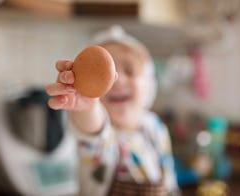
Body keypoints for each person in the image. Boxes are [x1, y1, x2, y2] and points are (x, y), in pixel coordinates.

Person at [46, 26, 179, 196]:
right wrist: (88, 105)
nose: (118, 80)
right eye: (105, 77)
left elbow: (170, 183)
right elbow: (92, 131)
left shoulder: (155, 127)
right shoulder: (105, 141)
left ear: (149, 82)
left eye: (130, 71)